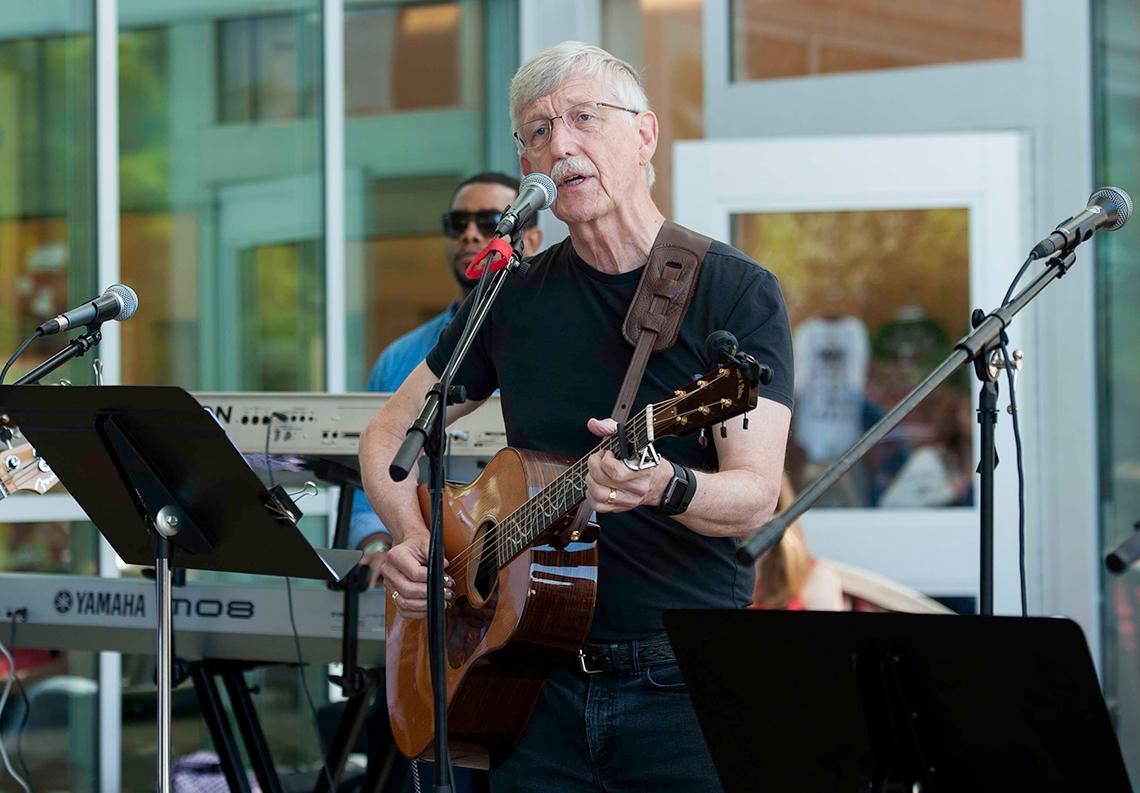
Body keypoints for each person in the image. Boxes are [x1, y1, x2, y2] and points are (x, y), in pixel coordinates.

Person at [359, 41, 794, 792]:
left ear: (644, 134)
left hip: (680, 685)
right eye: (538, 130)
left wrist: (666, 486)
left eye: (584, 118)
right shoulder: (510, 296)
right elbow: (387, 435)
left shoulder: (733, 292)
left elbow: (755, 495)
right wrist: (414, 539)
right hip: (527, 682)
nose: (560, 145)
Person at [349, 172, 543, 581]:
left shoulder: (548, 341)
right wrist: (383, 544)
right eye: (457, 223)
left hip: (532, 574)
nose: (470, 234)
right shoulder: (398, 358)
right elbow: (370, 488)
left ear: (534, 239)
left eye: (490, 222)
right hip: (429, 576)